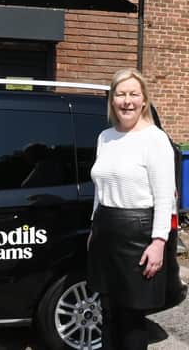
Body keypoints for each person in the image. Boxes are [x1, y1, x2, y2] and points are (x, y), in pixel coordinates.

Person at [87, 68, 175, 349]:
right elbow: (100, 190)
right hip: (105, 232)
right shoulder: (105, 138)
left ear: (144, 100)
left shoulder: (154, 139)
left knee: (132, 320)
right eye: (121, 94)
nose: (127, 101)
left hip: (138, 237)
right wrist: (93, 227)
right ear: (112, 100)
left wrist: (159, 242)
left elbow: (165, 196)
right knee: (108, 313)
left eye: (133, 94)